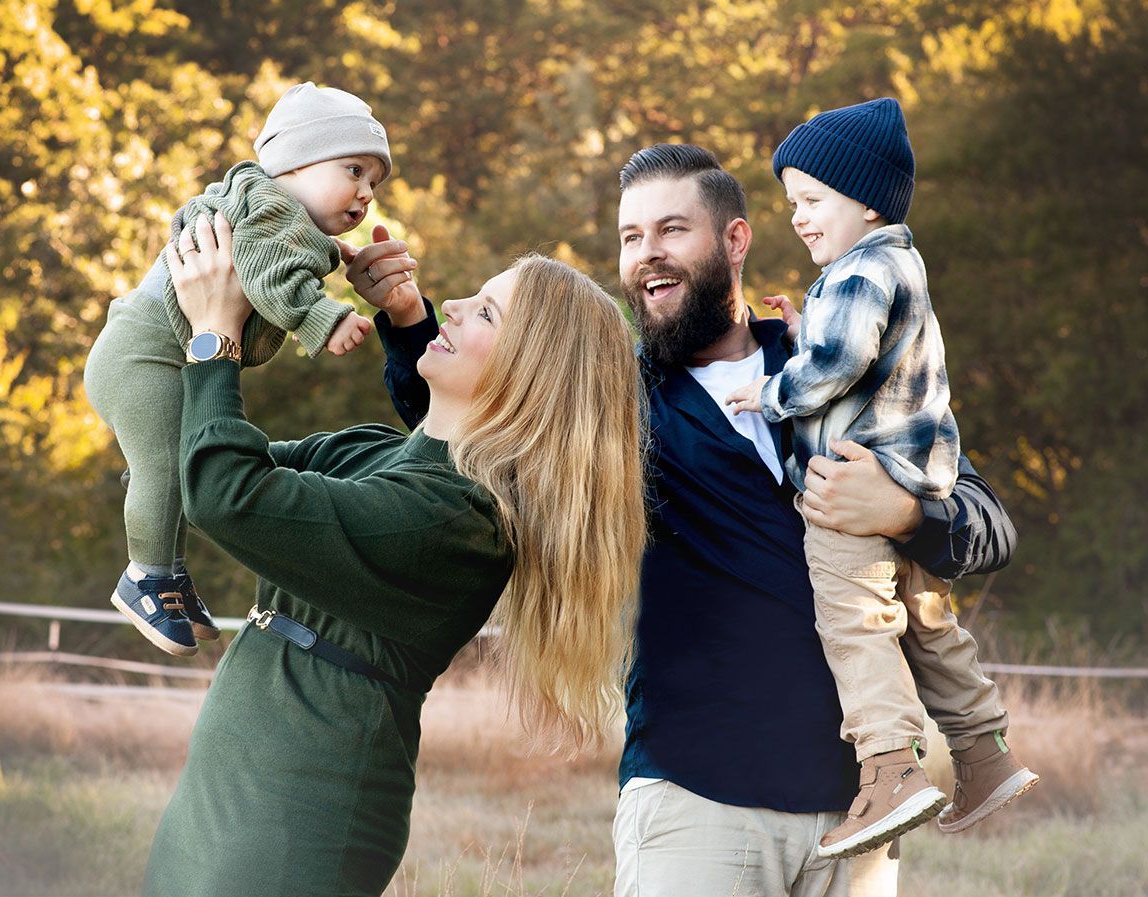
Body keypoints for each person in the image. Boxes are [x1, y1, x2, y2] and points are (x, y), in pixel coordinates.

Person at [374, 144, 1019, 896]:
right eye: (630, 236)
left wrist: (906, 512)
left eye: (671, 229)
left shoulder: (849, 366)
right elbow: (466, 412)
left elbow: (988, 524)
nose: (648, 254)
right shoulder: (618, 404)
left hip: (862, 813)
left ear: (734, 240)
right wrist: (407, 322)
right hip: (697, 800)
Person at [139, 212, 647, 897]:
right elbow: (195, 456)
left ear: (528, 376)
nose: (457, 305)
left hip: (301, 807)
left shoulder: (458, 524)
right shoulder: (374, 453)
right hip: (229, 784)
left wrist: (217, 332)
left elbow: (224, 493)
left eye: (487, 312)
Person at [723, 98, 1037, 856]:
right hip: (922, 482)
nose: (797, 217)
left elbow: (836, 365)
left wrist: (768, 392)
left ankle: (891, 768)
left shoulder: (859, 270)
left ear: (865, 199)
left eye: (811, 200)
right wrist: (806, 322)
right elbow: (869, 353)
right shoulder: (895, 263)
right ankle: (985, 753)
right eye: (791, 202)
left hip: (851, 493)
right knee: (930, 629)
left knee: (855, 626)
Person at [84, 82, 385, 657]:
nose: (365, 192)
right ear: (294, 164)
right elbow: (270, 277)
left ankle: (168, 567)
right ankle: (146, 575)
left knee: (174, 467)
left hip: (146, 357)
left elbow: (282, 251)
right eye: (353, 170)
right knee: (168, 471)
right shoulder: (273, 213)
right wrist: (322, 318)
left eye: (373, 181)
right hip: (142, 360)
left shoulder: (272, 211)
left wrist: (338, 255)